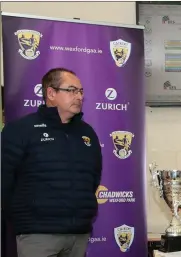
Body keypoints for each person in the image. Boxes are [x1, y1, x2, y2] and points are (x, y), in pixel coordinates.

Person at [1, 68, 103, 257]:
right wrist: (23, 219)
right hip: (37, 234)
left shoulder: (87, 133)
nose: (79, 96)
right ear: (51, 93)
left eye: (81, 91)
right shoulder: (21, 130)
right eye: (71, 90)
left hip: (78, 234)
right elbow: (4, 181)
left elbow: (93, 179)